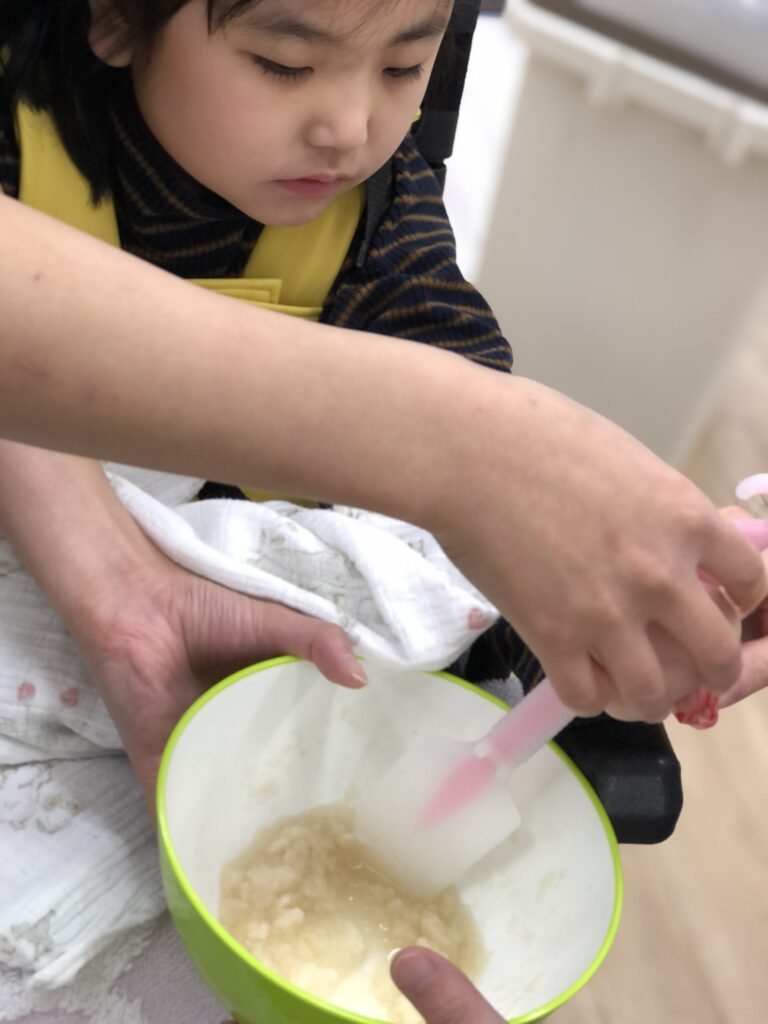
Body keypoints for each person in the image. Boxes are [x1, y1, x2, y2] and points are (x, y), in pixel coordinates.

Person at [0, 0, 765, 813]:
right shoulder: (23, 138)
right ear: (117, 19)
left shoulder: (379, 227)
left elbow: (491, 532)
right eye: (285, 66)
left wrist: (617, 633)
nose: (351, 130)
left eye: (403, 68)